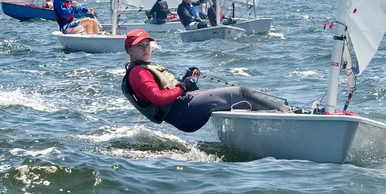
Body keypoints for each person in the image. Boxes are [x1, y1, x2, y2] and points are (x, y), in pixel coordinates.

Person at [121, 29, 287, 133]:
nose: (145, 48)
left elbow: (163, 89)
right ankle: (286, 115)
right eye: (139, 46)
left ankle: (272, 123)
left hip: (181, 112)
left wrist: (183, 79)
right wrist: (183, 88)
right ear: (129, 50)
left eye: (147, 44)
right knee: (242, 93)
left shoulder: (138, 69)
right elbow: (158, 98)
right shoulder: (138, 73)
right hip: (183, 112)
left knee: (237, 100)